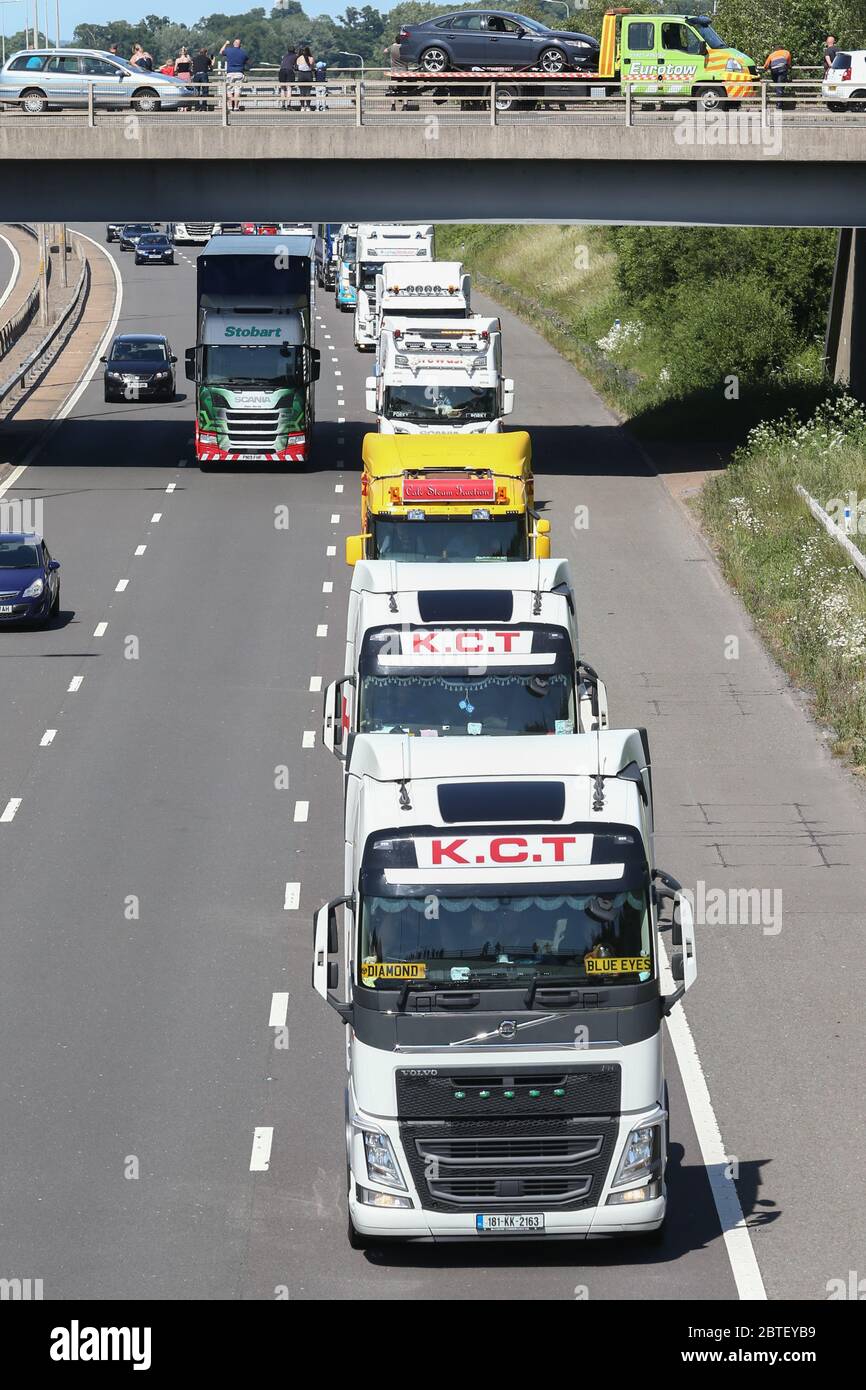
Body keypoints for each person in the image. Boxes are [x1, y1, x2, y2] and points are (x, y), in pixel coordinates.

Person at [220, 37, 249, 112]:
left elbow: (221, 52)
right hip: (239, 73)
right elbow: (247, 61)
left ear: (233, 44)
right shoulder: (243, 52)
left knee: (229, 90)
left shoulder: (229, 50)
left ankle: (230, 106)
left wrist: (225, 44)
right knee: (237, 90)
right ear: (240, 45)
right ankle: (236, 106)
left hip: (230, 73)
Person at [295, 45, 314, 111]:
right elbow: (312, 66)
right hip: (308, 74)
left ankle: (302, 106)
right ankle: (308, 106)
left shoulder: (299, 58)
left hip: (301, 74)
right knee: (308, 91)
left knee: (302, 92)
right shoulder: (311, 58)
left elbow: (297, 66)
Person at [278, 45, 296, 109]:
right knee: (289, 88)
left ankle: (283, 105)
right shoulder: (295, 56)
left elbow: (282, 64)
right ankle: (288, 105)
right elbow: (296, 65)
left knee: (282, 88)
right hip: (289, 70)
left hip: (282, 70)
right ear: (294, 50)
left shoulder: (284, 56)